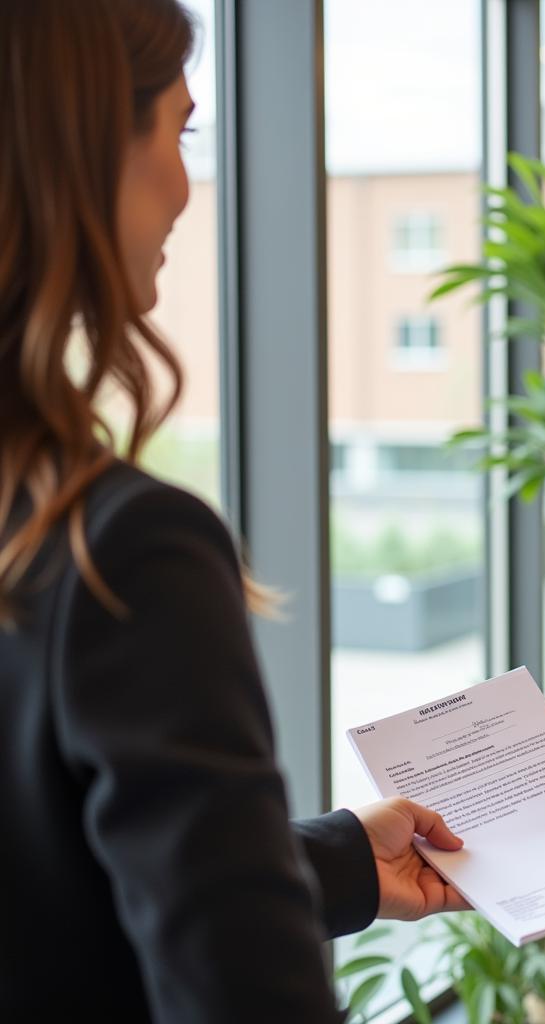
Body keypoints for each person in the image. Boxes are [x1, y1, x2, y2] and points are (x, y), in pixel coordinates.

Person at [0, 1, 465, 1020]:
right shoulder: (123, 547)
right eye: (180, 129)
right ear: (80, 152)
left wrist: (337, 858)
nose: (183, 188)